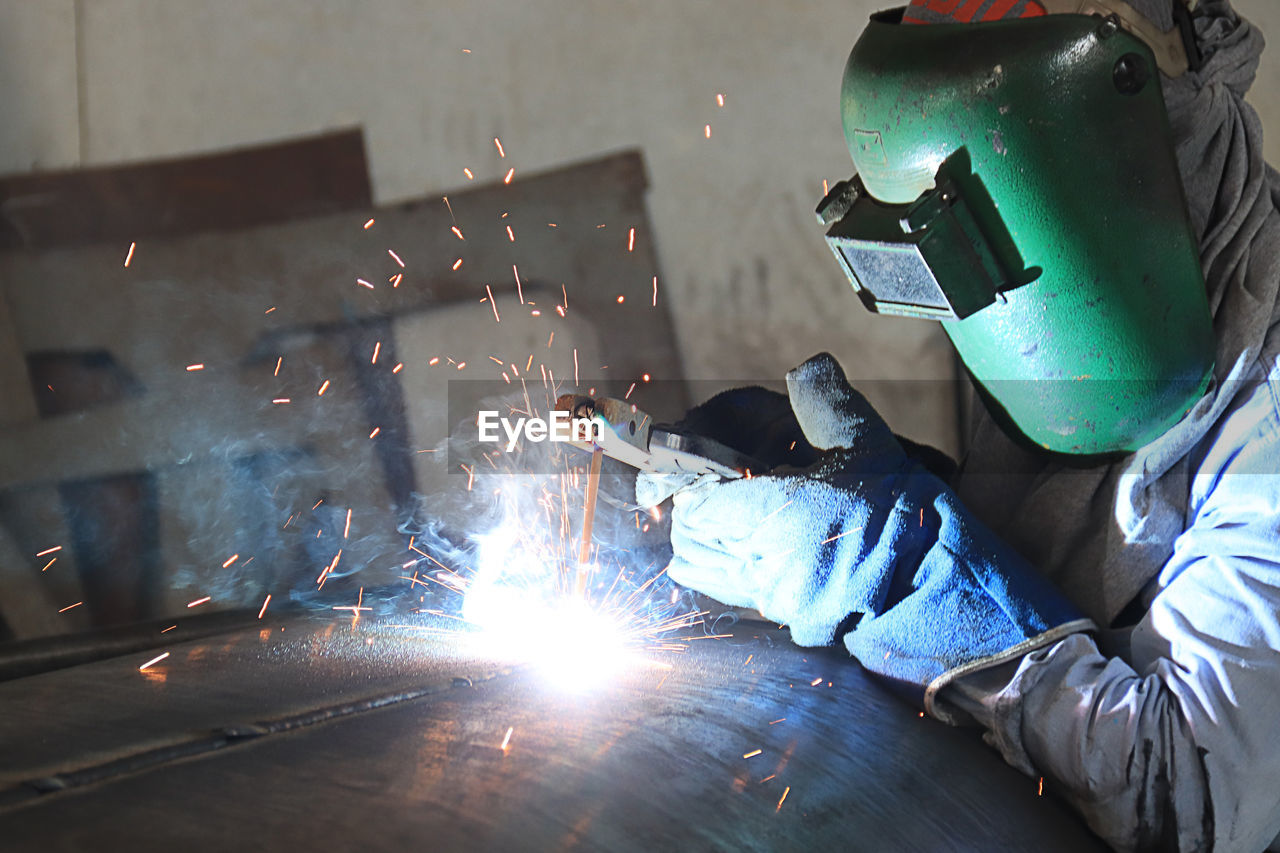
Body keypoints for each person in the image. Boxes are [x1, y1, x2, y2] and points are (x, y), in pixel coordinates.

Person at [638, 1, 1280, 850]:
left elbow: (1192, 797)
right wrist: (855, 492)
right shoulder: (1051, 287)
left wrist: (895, 564)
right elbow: (1064, 575)